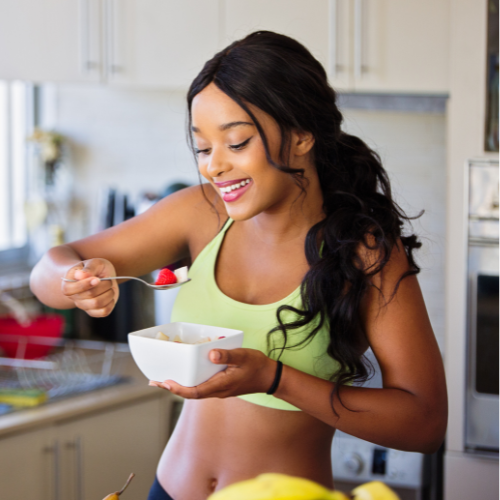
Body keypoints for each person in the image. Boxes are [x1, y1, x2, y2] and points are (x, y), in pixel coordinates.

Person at [30, 31, 448, 500]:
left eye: (236, 142)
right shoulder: (198, 213)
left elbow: (425, 423)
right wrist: (73, 281)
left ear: (302, 136)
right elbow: (49, 268)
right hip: (170, 490)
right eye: (204, 149)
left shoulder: (363, 252)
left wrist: (274, 378)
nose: (213, 167)